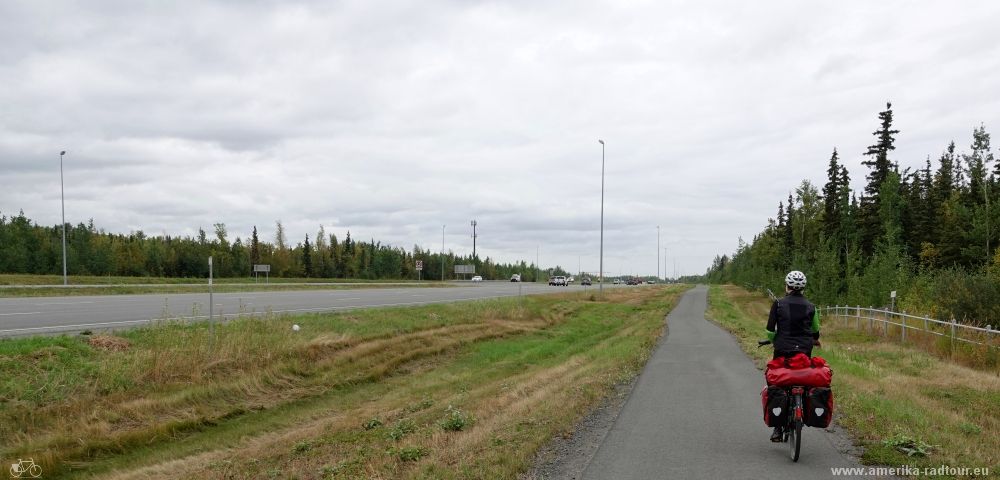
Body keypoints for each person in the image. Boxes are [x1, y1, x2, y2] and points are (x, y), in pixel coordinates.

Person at [765, 270, 820, 442]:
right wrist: (814, 340)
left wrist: (775, 340)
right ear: (803, 288)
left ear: (787, 286)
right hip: (804, 350)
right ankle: (802, 405)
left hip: (782, 349)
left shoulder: (778, 304)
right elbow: (815, 331)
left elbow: (769, 330)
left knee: (775, 382)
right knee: (804, 378)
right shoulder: (811, 307)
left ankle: (778, 428)